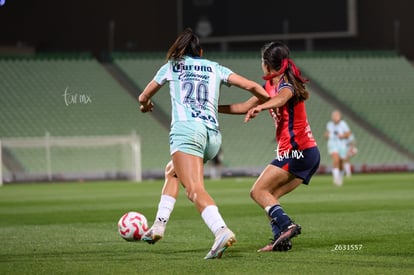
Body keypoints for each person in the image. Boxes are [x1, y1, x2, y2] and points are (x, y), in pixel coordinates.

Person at [138, 28, 269, 259]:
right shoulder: (214, 67)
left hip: (186, 131)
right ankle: (158, 226)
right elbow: (252, 86)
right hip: (212, 136)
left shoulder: (171, 66)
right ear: (200, 51)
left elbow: (143, 96)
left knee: (195, 190)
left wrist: (146, 106)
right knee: (172, 171)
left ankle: (221, 231)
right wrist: (266, 102)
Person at [219, 41, 320, 252]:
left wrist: (262, 106)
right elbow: (244, 106)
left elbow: (282, 99)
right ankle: (280, 240)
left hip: (297, 151)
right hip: (307, 153)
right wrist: (212, 108)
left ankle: (287, 226)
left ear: (266, 64)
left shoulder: (286, 84)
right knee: (268, 197)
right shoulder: (268, 87)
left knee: (257, 191)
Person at [324, 110, 351, 186]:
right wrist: (326, 135)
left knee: (341, 162)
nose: (335, 117)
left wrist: (342, 136)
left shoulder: (343, 124)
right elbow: (327, 134)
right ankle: (336, 179)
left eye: (336, 116)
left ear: (340, 117)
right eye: (334, 116)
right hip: (332, 144)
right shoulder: (329, 124)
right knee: (336, 160)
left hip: (342, 145)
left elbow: (348, 134)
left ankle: (340, 177)